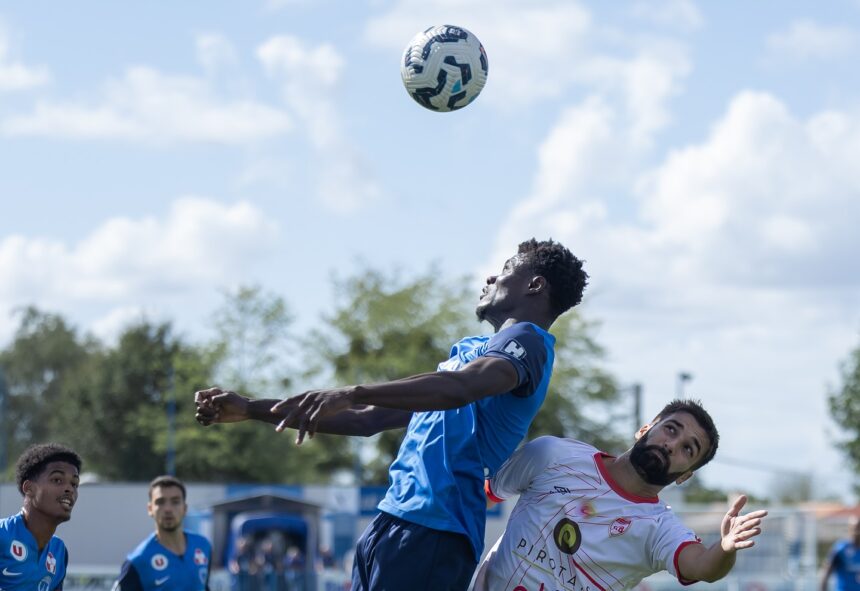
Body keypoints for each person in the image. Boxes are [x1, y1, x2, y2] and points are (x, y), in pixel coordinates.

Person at [195, 238, 588, 591]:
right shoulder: (471, 350)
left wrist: (350, 391)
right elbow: (367, 418)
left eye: (505, 270)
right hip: (393, 520)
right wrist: (251, 408)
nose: (490, 276)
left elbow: (460, 388)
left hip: (436, 530)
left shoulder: (529, 344)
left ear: (535, 286)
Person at [472, 399, 769, 591]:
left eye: (687, 449)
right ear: (644, 429)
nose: (671, 445)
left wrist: (726, 548)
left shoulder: (659, 529)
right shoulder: (551, 454)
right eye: (671, 429)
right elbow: (479, 498)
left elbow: (704, 566)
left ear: (685, 476)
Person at [0, 443, 82, 591]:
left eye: (74, 483)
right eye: (57, 480)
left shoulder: (59, 551)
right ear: (29, 488)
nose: (69, 489)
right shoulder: (2, 535)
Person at [113, 476, 212, 591]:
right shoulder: (138, 561)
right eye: (160, 502)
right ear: (150, 509)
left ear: (184, 508)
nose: (168, 509)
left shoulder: (203, 546)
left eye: (175, 502)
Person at [820, 517, 860, 591]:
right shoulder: (841, 548)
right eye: (856, 528)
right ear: (850, 529)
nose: (858, 531)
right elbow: (826, 573)